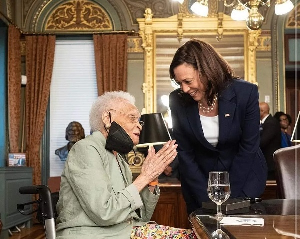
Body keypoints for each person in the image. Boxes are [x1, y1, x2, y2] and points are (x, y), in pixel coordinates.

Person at [56, 91, 196, 239]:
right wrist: (145, 176)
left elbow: (142, 217)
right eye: (132, 118)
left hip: (125, 231)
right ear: (107, 118)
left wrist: (152, 180)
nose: (140, 126)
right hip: (92, 234)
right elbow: (105, 213)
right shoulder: (86, 148)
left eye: (139, 121)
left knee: (196, 235)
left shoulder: (118, 156)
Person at [168, 39, 267, 215]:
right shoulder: (177, 100)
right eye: (179, 83)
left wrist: (229, 196)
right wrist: (206, 198)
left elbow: (249, 147)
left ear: (207, 71)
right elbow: (185, 152)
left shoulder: (245, 93)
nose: (184, 89)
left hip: (244, 183)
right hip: (199, 186)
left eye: (188, 81)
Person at [259, 102, 281, 180]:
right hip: (266, 162)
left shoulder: (271, 122)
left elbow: (263, 141)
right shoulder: (266, 122)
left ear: (262, 111)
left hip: (269, 162)